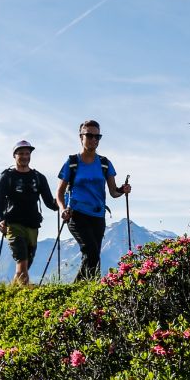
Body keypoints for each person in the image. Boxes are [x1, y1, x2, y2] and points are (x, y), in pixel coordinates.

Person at [56, 120, 131, 282]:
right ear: (81, 137)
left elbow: (113, 192)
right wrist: (63, 209)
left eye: (97, 136)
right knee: (91, 251)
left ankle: (90, 293)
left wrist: (122, 190)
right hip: (76, 214)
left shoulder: (104, 163)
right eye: (89, 135)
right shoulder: (72, 162)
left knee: (94, 255)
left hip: (98, 216)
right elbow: (59, 193)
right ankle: (77, 291)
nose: (93, 139)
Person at [0, 140, 60, 285]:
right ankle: (26, 296)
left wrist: (62, 204)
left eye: (27, 153)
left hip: (33, 225)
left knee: (25, 264)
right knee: (22, 262)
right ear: (14, 156)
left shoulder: (39, 178)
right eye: (21, 153)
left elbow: (49, 202)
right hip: (13, 225)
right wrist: (0, 220)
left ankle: (12, 292)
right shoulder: (7, 177)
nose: (24, 156)